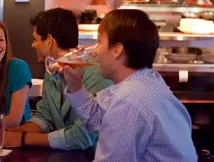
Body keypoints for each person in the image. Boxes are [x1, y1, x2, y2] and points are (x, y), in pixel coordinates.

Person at [64, 9, 198, 162]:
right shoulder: (147, 81)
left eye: (99, 41)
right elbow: (96, 119)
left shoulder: (128, 100)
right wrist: (75, 85)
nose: (95, 50)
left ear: (116, 50)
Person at [4, 8, 112, 150]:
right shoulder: (52, 69)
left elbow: (82, 137)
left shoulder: (97, 74)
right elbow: (45, 118)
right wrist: (8, 134)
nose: (33, 44)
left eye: (35, 39)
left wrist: (23, 139)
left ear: (49, 41)